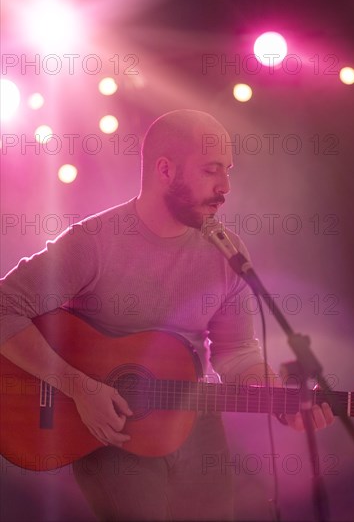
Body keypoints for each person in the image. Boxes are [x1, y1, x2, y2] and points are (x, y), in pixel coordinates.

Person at [0, 110, 334, 521]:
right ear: (164, 170)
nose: (225, 187)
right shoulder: (93, 243)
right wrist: (80, 387)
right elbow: (4, 308)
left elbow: (236, 351)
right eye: (212, 171)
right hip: (107, 432)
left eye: (228, 171)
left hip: (195, 421)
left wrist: (281, 399)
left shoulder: (226, 250)